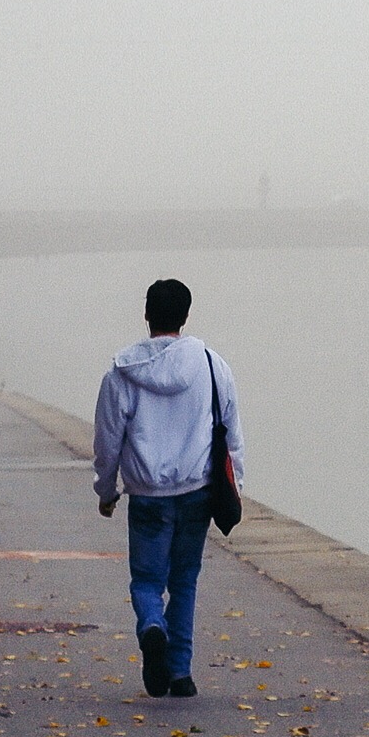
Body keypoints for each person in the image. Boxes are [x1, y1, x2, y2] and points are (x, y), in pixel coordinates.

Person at [91, 278, 243, 700]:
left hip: (146, 495)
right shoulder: (212, 365)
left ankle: (151, 627)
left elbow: (107, 439)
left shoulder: (121, 373)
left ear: (147, 316)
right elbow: (231, 434)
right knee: (186, 580)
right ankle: (181, 674)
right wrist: (237, 487)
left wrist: (106, 490)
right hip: (197, 490)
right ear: (186, 315)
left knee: (145, 581)